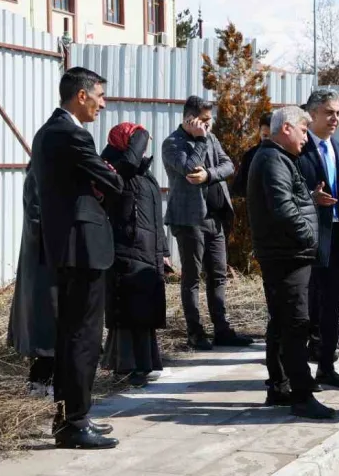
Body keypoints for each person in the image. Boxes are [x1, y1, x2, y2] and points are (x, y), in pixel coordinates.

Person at [30, 67, 122, 450]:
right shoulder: (70, 135)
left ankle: (74, 416)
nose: (103, 103)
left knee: (75, 335)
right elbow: (114, 181)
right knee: (82, 338)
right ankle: (73, 422)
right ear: (81, 96)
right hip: (80, 250)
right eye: (99, 95)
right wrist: (108, 176)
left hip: (70, 248)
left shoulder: (49, 133)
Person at [247, 106, 336, 420]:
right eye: (303, 130)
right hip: (287, 256)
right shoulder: (272, 159)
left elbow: (287, 201)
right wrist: (309, 236)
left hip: (286, 253)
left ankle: (280, 386)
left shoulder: (278, 158)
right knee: (296, 324)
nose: (306, 138)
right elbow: (283, 209)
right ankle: (301, 394)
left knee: (283, 323)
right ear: (286, 128)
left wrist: (309, 200)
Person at [162, 96, 253, 350]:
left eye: (209, 120)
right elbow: (189, 169)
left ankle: (222, 329)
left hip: (215, 216)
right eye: (203, 120)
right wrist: (199, 141)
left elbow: (228, 166)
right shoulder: (172, 143)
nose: (208, 125)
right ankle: (195, 332)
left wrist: (209, 174)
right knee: (192, 277)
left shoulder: (211, 138)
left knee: (218, 275)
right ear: (188, 119)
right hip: (189, 219)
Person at [99, 122, 172, 388]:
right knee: (128, 311)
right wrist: (139, 138)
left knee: (145, 311)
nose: (143, 149)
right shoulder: (114, 168)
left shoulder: (144, 172)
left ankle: (145, 362)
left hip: (148, 250)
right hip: (125, 250)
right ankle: (126, 366)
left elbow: (155, 216)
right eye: (139, 143)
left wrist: (163, 251)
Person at [297, 88, 339, 388]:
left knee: (331, 304)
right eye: (329, 112)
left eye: (338, 112)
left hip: (338, 238)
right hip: (308, 237)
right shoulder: (297, 148)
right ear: (312, 114)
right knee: (308, 305)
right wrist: (310, 198)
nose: (335, 118)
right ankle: (299, 371)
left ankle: (326, 366)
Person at [7, 165, 57, 398]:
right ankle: (40, 382)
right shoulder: (39, 175)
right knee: (46, 325)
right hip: (45, 261)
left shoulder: (44, 173)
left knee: (50, 325)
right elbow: (38, 216)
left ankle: (45, 381)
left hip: (48, 260)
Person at [231, 112, 272, 199]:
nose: (268, 140)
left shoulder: (286, 153)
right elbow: (240, 186)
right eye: (265, 136)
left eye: (272, 136)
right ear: (259, 131)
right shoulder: (250, 155)